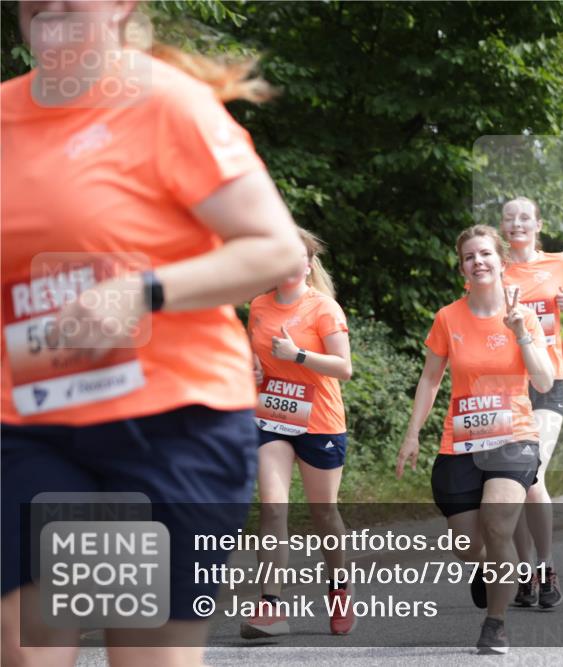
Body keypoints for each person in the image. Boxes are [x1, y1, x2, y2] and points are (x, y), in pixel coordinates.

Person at [1, 3, 304, 666]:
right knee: (23, 647)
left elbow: (274, 248)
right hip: (31, 423)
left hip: (169, 425)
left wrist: (143, 291)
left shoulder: (169, 106)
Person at [396, 225, 554, 655]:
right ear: (462, 266)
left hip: (513, 438)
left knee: (498, 525)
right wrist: (412, 434)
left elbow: (542, 379)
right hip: (461, 441)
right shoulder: (449, 317)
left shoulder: (524, 315)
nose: (478, 262)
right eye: (470, 256)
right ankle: (491, 570)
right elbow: (431, 379)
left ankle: (496, 624)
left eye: (485, 254)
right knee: (466, 545)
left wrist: (520, 330)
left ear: (502, 261)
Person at [240, 228, 354, 638]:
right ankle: (270, 603)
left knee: (324, 514)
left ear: (308, 264)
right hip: (272, 416)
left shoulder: (323, 309)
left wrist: (299, 355)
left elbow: (344, 368)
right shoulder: (259, 305)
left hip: (319, 421)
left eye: (297, 256)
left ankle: (339, 587)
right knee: (273, 507)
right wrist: (253, 365)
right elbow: (255, 353)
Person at [499, 197, 563, 609]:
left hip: (547, 380)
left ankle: (547, 566)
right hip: (504, 384)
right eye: (509, 218)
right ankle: (523, 570)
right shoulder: (494, 267)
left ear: (537, 224)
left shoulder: (559, 263)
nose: (517, 224)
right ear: (503, 226)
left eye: (524, 218)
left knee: (530, 475)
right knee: (514, 481)